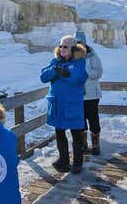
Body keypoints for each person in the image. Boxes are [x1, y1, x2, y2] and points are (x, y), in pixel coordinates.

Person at [40, 35, 88, 174]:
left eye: (65, 46)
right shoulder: (55, 61)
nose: (62, 49)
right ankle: (63, 160)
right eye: (60, 46)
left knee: (76, 135)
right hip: (57, 104)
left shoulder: (79, 62)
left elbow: (79, 77)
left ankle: (77, 163)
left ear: (73, 48)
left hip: (72, 104)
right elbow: (43, 77)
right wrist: (55, 70)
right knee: (59, 133)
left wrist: (63, 72)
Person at [75, 30, 103, 155]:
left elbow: (99, 72)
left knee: (93, 119)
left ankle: (96, 145)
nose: (79, 44)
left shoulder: (92, 54)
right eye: (76, 42)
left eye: (80, 41)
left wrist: (85, 71)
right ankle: (83, 144)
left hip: (92, 94)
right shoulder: (73, 55)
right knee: (80, 120)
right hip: (78, 94)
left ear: (85, 42)